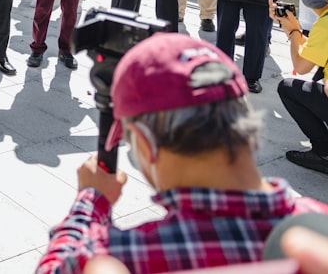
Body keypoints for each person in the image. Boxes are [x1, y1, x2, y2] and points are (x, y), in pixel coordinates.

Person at [37, 32, 328, 274]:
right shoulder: (318, 231)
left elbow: (58, 265)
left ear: (145, 144)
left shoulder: (120, 257)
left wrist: (90, 201)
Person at [270, 0, 328, 174]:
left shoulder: (324, 24)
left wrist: (294, 33)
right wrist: (293, 29)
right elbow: (314, 54)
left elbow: (302, 66)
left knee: (288, 87)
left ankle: (323, 153)